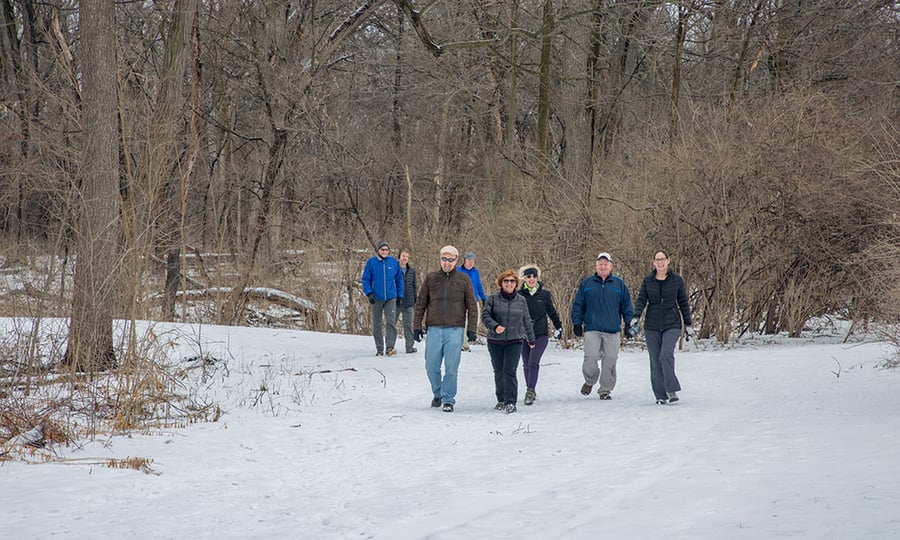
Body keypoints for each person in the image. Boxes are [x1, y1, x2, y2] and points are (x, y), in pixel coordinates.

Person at [413, 245, 479, 413]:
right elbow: (421, 303)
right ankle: (438, 393)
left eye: (451, 260)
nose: (447, 263)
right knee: (431, 366)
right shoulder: (431, 278)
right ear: (440, 259)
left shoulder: (464, 279)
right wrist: (416, 326)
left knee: (451, 367)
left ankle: (448, 399)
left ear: (456, 260)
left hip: (455, 330)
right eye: (444, 259)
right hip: (434, 329)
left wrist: (471, 329)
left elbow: (472, 306)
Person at [631, 250, 692, 405]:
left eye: (662, 259)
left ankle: (671, 389)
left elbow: (683, 302)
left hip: (672, 324)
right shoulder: (648, 281)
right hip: (652, 325)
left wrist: (688, 324)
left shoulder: (676, 280)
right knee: (655, 360)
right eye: (657, 260)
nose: (660, 262)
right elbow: (641, 300)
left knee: (665, 355)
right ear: (653, 262)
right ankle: (660, 395)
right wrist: (636, 316)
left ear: (668, 261)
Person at [570, 252, 634, 400]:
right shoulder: (587, 283)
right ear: (596, 266)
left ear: (611, 266)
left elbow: (627, 306)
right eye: (600, 264)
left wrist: (629, 323)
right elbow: (578, 305)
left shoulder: (619, 284)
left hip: (612, 329)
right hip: (592, 328)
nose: (603, 266)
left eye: (606, 264)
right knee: (590, 358)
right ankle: (590, 380)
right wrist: (577, 323)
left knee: (610, 360)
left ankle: (605, 389)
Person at [482, 270, 535, 414]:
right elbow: (485, 316)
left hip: (515, 340)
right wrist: (495, 326)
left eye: (512, 281)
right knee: (499, 371)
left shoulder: (521, 300)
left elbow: (526, 320)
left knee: (509, 371)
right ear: (501, 283)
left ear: (516, 284)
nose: (509, 284)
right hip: (495, 341)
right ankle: (501, 399)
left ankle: (511, 401)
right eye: (506, 281)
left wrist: (531, 338)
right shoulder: (492, 299)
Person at [518, 265, 563, 406]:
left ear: (538, 278)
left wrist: (558, 326)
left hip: (540, 334)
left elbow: (551, 312)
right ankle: (530, 388)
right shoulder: (518, 295)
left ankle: (530, 390)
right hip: (523, 335)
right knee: (526, 364)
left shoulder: (544, 295)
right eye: (529, 276)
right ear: (524, 278)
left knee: (533, 362)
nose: (532, 279)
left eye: (534, 276)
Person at [361, 240, 404, 356]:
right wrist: (369, 293)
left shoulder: (393, 262)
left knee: (390, 322)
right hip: (376, 297)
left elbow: (399, 280)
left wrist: (400, 295)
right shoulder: (371, 262)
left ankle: (390, 347)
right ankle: (379, 348)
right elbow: (365, 279)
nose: (384, 252)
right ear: (378, 250)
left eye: (386, 250)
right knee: (377, 324)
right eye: (382, 250)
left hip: (391, 297)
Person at [458, 252, 486, 351]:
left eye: (472, 261)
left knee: (475, 321)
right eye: (469, 260)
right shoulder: (458, 271)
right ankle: (464, 345)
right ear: (464, 260)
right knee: (464, 322)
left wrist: (483, 298)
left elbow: (478, 285)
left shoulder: (475, 271)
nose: (471, 263)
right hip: (462, 300)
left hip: (474, 299)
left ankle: (466, 339)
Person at [397, 248, 418, 354]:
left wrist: (415, 300)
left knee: (408, 325)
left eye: (407, 256)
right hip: (396, 301)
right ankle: (389, 346)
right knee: (391, 324)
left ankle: (409, 347)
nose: (405, 258)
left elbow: (414, 286)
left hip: (409, 302)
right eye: (403, 256)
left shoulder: (412, 271)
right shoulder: (394, 269)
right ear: (399, 257)